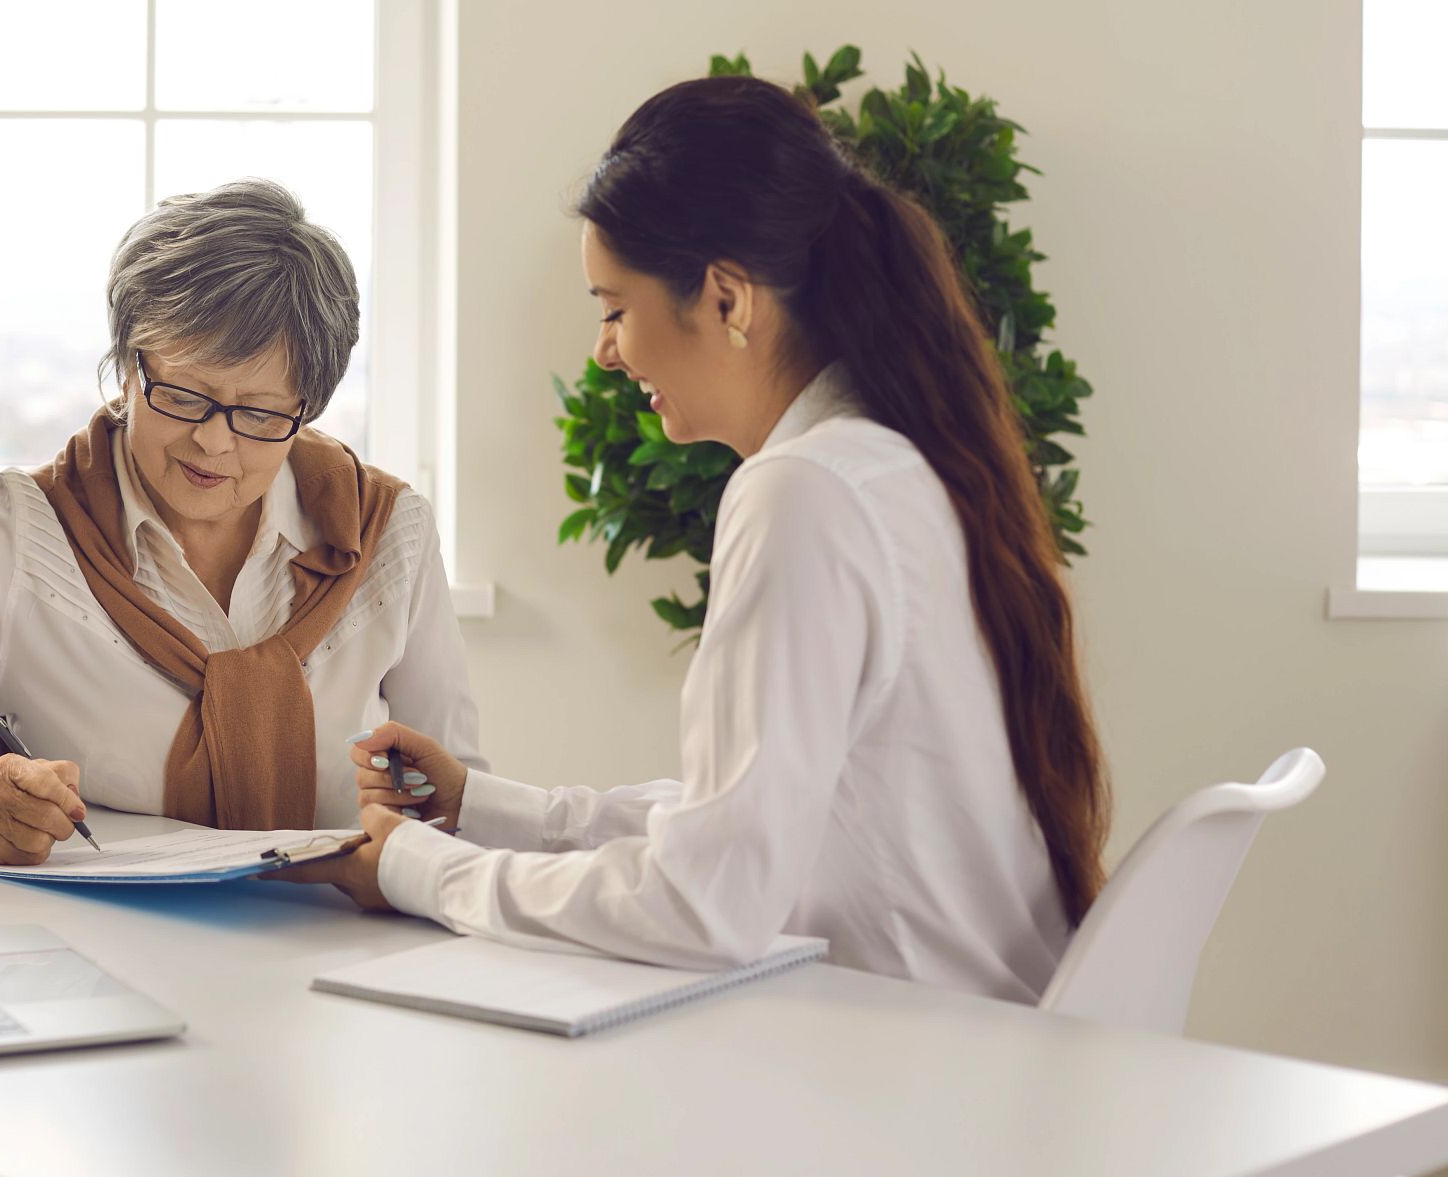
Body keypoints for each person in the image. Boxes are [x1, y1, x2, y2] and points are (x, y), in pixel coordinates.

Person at [283, 75, 1111, 1004]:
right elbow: (744, 822)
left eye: (613, 308)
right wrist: (483, 808)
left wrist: (418, 870)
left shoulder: (804, 494)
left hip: (906, 1075)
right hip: (977, 1045)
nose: (604, 351)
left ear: (725, 299)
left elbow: (704, 903)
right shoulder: (897, 465)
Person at [0, 178, 484, 865]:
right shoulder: (20, 541)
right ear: (128, 369)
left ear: (307, 407)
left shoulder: (388, 533)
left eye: (258, 414)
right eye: (184, 396)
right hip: (78, 955)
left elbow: (462, 796)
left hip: (343, 941)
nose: (214, 443)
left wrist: (412, 859)